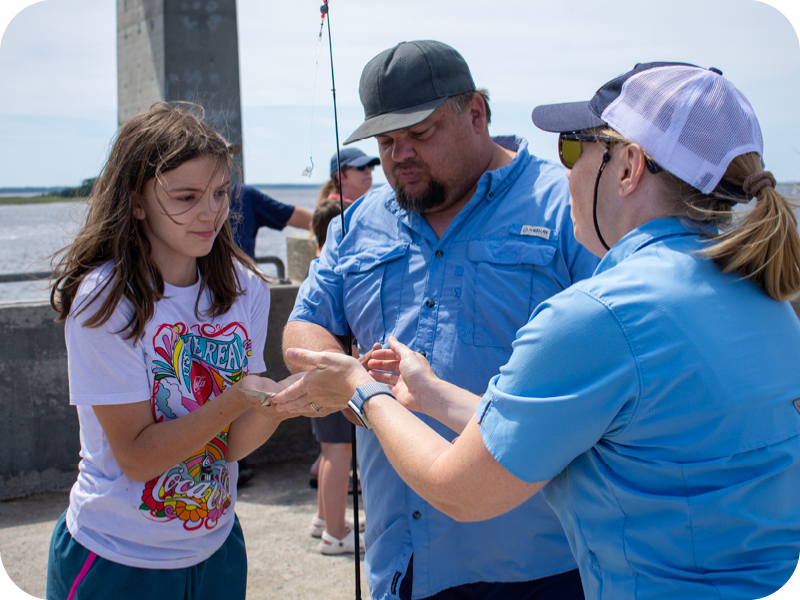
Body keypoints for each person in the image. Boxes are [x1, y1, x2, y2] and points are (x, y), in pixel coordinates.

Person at [274, 62, 800, 600]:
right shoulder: (767, 301)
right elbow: (565, 422)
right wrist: (429, 393)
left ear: (629, 168)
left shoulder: (598, 315)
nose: (563, 168)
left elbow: (461, 491)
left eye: (575, 150)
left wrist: (361, 393)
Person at [281, 40, 598, 600]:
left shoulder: (565, 207)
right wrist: (347, 381)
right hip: (397, 560)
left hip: (540, 564)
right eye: (385, 142)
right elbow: (304, 326)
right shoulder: (357, 223)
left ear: (476, 113)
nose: (400, 154)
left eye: (420, 134)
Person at [46, 102, 306, 600]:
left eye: (219, 194)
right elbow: (139, 459)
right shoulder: (105, 300)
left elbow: (227, 445)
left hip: (217, 551)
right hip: (115, 560)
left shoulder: (246, 287)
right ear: (136, 201)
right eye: (186, 197)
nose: (210, 213)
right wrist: (237, 399)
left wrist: (284, 401)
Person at [307, 197, 366, 555]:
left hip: (320, 380)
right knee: (338, 453)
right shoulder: (331, 276)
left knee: (330, 451)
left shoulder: (315, 273)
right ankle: (335, 533)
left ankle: (321, 519)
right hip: (334, 381)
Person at [315, 147, 380, 206]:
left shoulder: (357, 206)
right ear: (341, 177)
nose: (368, 171)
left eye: (370, 166)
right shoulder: (334, 210)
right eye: (361, 167)